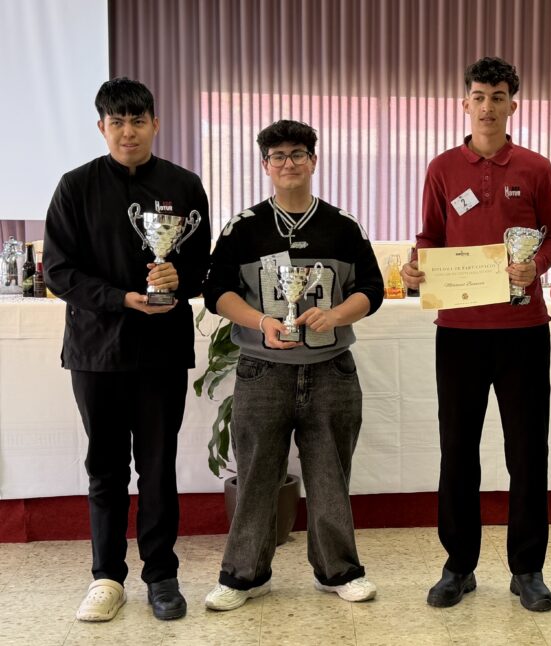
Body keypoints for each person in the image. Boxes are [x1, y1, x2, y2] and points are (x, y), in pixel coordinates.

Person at [43, 78, 211, 622]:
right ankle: (107, 577)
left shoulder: (184, 185)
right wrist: (120, 298)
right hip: (96, 351)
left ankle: (161, 575)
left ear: (155, 124)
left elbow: (202, 267)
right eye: (117, 122)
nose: (128, 131)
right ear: (102, 127)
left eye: (138, 121)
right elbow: (59, 271)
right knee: (106, 467)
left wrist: (179, 277)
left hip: (162, 350)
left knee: (158, 467)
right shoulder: (75, 187)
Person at [401, 57, 551, 610]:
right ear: (465, 103)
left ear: (513, 104)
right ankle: (458, 565)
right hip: (459, 331)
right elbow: (430, 236)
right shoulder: (443, 167)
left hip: (523, 329)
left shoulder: (536, 167)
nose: (488, 106)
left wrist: (534, 265)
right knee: (458, 451)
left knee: (527, 452)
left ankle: (528, 568)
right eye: (479, 96)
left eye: (498, 96)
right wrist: (416, 267)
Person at [202, 119, 383, 610]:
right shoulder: (244, 227)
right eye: (278, 156)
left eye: (298, 154)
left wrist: (336, 315)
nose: (288, 163)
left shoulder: (343, 226)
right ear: (265, 165)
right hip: (263, 369)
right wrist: (261, 321)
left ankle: (337, 571)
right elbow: (216, 291)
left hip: (330, 368)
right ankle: (244, 576)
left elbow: (372, 289)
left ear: (313, 161)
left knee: (330, 475)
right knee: (257, 475)